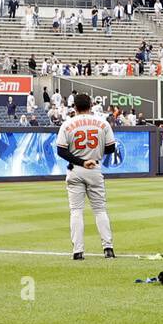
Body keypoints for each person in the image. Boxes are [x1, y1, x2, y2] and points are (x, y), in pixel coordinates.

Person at [54, 92, 117, 260]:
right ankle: (108, 248)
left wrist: (81, 162)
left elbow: (61, 150)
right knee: (100, 210)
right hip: (95, 168)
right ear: (90, 106)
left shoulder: (67, 124)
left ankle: (78, 251)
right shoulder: (102, 123)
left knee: (76, 211)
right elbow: (111, 148)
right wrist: (93, 157)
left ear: (74, 107)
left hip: (75, 169)